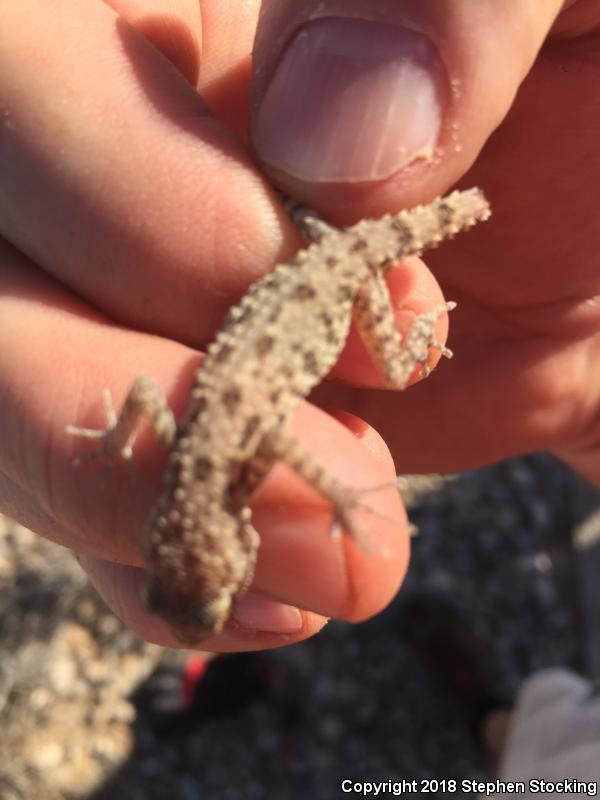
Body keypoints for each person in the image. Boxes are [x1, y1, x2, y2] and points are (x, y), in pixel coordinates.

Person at [1, 1, 598, 659]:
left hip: (334, 288)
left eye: (185, 601)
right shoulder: (177, 449)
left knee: (398, 368)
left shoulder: (236, 466)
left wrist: (343, 499)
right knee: (396, 330)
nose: (190, 627)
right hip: (307, 267)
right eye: (193, 601)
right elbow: (144, 394)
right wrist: (118, 445)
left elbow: (302, 457)